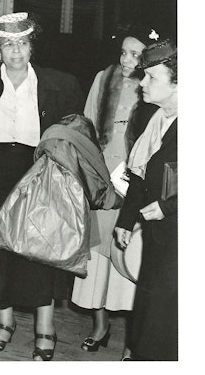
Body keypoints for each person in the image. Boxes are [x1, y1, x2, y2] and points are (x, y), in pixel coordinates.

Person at [0, 12, 83, 361]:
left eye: (22, 43)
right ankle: (4, 321)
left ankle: (45, 326)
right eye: (8, 45)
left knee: (40, 249)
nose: (16, 51)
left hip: (38, 170)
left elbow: (73, 137)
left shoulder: (60, 84)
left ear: (31, 45)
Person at [70, 24, 160, 358]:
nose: (126, 59)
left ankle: (132, 341)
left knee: (128, 258)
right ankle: (100, 325)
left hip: (135, 184)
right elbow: (87, 125)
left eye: (135, 54)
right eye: (123, 51)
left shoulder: (154, 88)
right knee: (97, 254)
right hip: (101, 180)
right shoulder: (102, 78)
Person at [115, 40, 177, 361]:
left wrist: (169, 206)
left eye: (152, 77)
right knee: (148, 313)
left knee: (167, 323)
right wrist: (126, 221)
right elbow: (139, 174)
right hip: (156, 239)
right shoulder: (156, 117)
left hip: (182, 243)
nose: (142, 83)